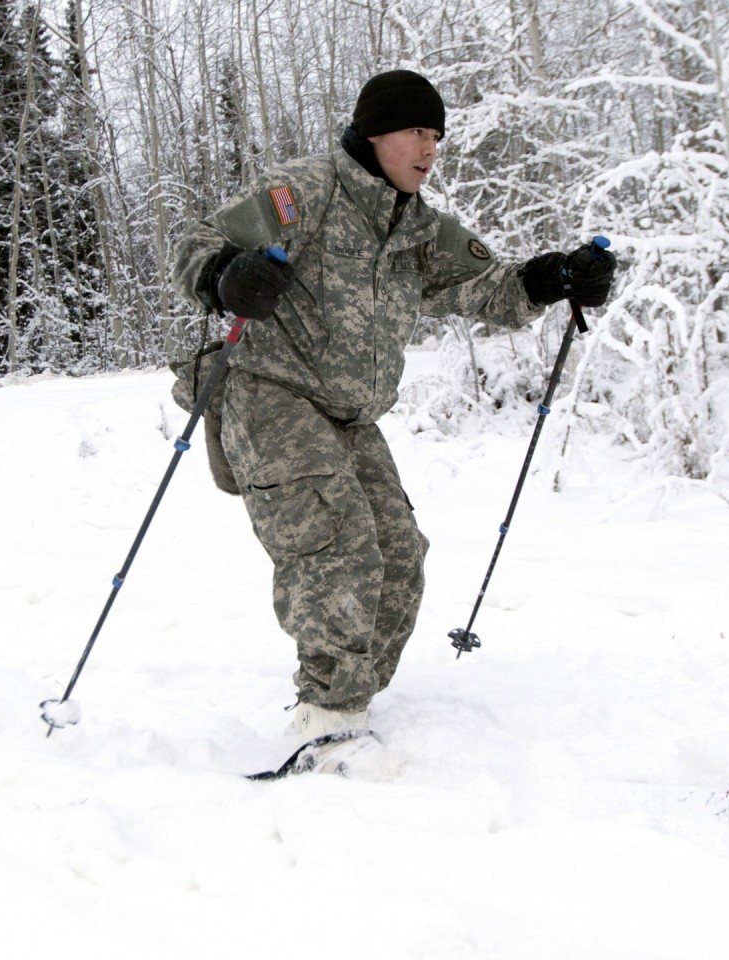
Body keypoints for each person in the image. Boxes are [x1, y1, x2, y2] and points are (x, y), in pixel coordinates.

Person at [171, 69, 615, 778]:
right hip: (271, 393)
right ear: (375, 131)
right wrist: (226, 274)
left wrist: (556, 276)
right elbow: (201, 240)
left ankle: (348, 700)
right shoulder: (308, 188)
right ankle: (326, 722)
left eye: (437, 135)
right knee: (336, 545)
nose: (429, 147)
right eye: (416, 131)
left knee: (399, 555)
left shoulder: (419, 228)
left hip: (350, 415)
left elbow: (491, 287)